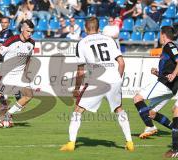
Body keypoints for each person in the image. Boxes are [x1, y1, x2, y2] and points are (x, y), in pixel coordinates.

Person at [60, 17, 134, 152]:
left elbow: (81, 71)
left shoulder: (82, 43)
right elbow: (122, 63)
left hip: (97, 80)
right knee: (119, 109)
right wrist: (117, 79)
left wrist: (77, 88)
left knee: (78, 110)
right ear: (99, 28)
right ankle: (129, 142)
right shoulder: (109, 39)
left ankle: (71, 144)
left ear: (85, 28)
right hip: (114, 79)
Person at [133, 26, 178, 154]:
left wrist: (174, 75)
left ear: (163, 35)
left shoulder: (170, 46)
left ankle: (150, 126)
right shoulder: (168, 48)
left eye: (160, 35)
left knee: (137, 98)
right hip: (170, 86)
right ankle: (173, 128)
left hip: (166, 85)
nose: (159, 38)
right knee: (151, 113)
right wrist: (158, 73)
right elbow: (170, 69)